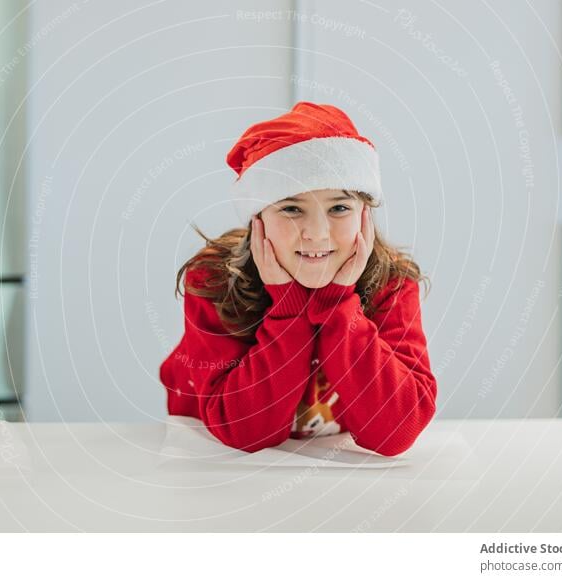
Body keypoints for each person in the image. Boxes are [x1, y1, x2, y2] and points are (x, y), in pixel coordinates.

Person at [159, 101, 437, 456]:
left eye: (339, 208)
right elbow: (246, 433)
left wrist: (338, 305)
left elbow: (397, 431)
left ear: (364, 216)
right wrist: (287, 310)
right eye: (291, 208)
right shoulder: (213, 279)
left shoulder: (390, 283)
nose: (317, 234)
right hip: (221, 475)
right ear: (257, 218)